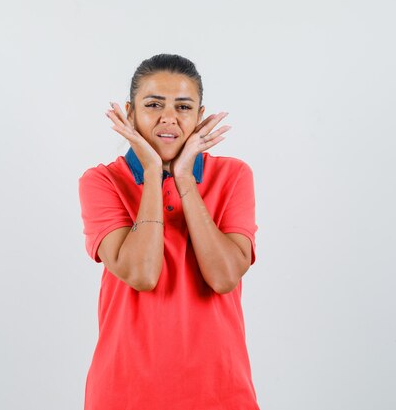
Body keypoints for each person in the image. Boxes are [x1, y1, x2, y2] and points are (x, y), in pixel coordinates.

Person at [77, 54, 260, 410]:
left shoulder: (234, 176)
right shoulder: (101, 181)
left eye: (183, 106)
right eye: (153, 104)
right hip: (125, 393)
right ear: (129, 113)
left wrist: (185, 178)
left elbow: (223, 277)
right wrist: (150, 173)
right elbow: (142, 274)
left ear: (199, 115)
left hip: (221, 393)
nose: (169, 118)